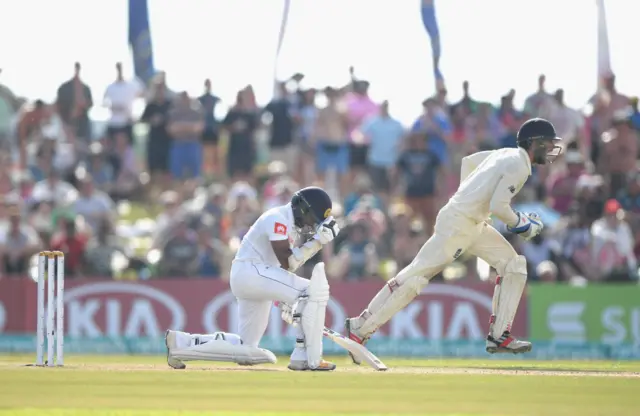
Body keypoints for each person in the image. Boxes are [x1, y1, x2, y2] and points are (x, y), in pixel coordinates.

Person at [345, 118, 562, 362]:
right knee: (416, 277)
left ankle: (500, 336)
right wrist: (522, 224)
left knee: (513, 265)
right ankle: (360, 329)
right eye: (546, 143)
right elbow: (499, 206)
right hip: (459, 224)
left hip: (473, 222)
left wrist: (468, 198)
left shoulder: (504, 153)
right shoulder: (520, 165)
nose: (550, 148)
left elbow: (468, 162)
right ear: (534, 143)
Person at [165, 186, 341, 371]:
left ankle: (180, 343)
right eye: (311, 220)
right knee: (312, 291)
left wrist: (288, 296)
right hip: (252, 272)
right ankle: (306, 356)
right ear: (301, 208)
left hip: (253, 276)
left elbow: (290, 265)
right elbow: (288, 263)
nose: (309, 226)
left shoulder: (290, 225)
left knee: (246, 348)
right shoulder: (277, 219)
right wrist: (317, 242)